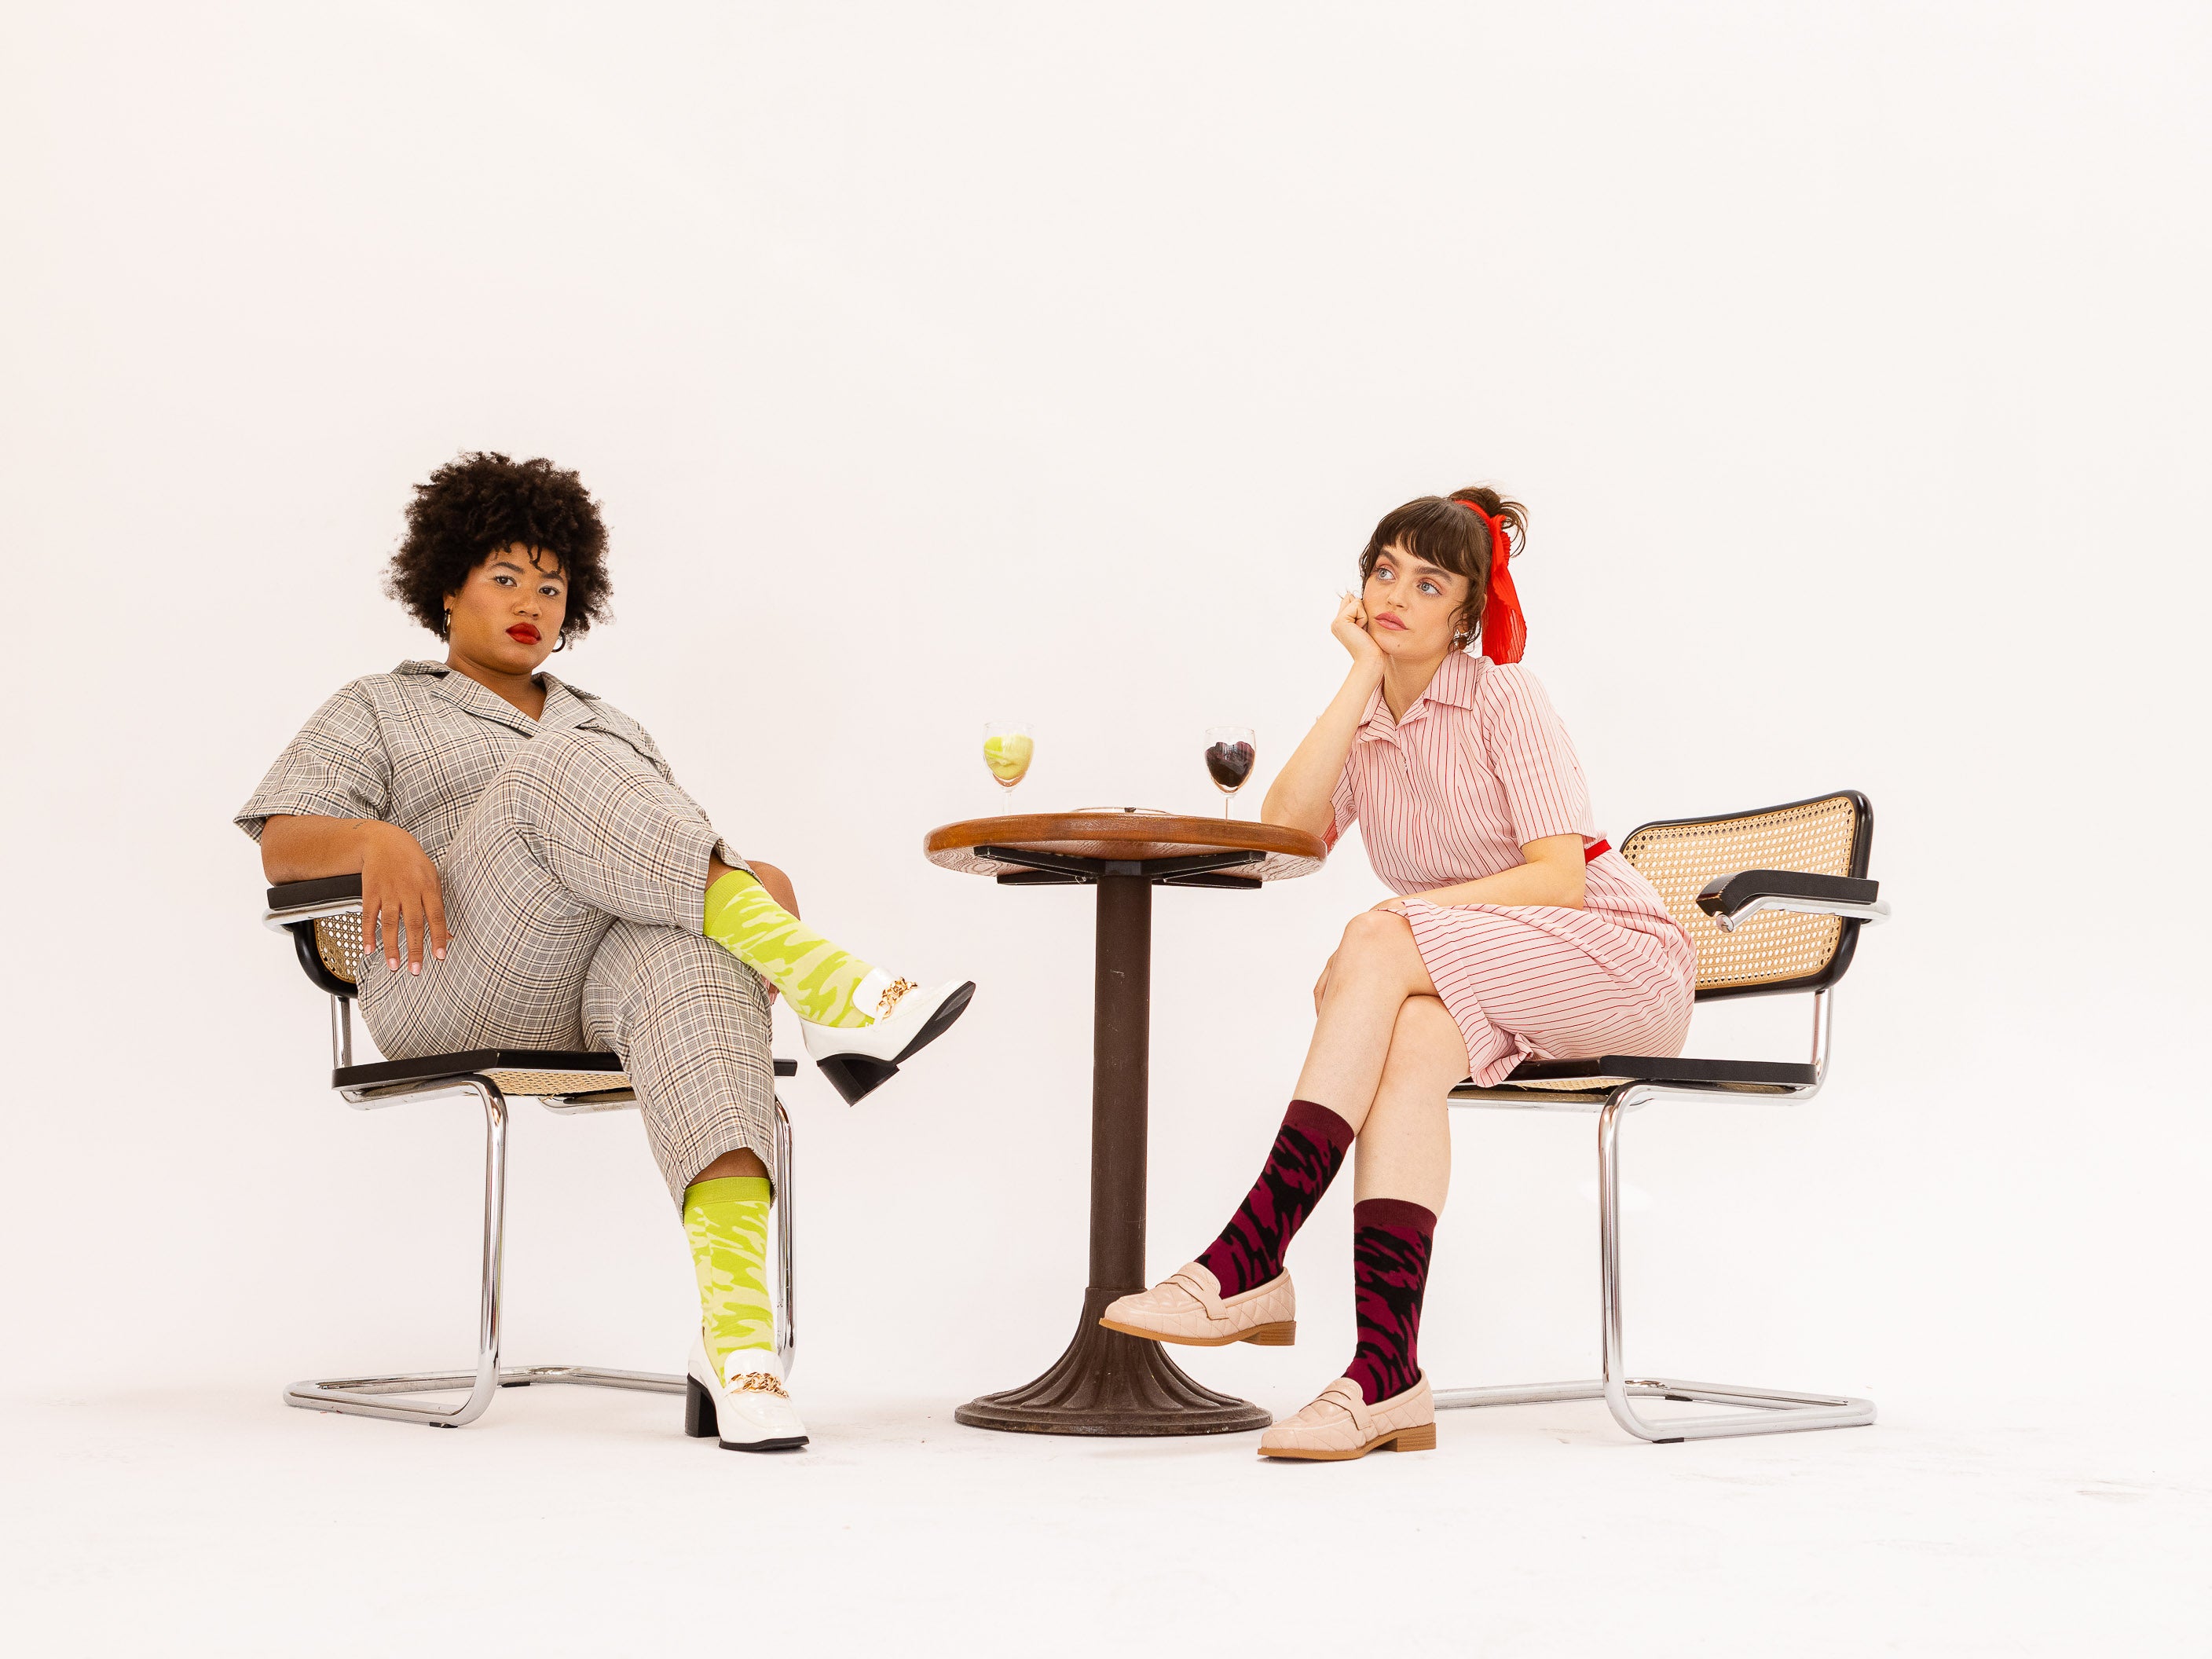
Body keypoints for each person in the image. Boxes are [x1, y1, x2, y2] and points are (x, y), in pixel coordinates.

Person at [237, 452, 974, 1452]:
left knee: (698, 958)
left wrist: (757, 897)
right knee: (567, 767)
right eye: (504, 577)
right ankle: (833, 986)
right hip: (441, 975)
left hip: (587, 992)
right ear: (446, 587)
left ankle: (740, 1345)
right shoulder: (381, 705)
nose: (532, 602)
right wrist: (372, 838)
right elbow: (284, 841)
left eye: (552, 584)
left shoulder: (601, 721)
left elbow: (666, 861)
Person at [1100, 486, 1694, 1461]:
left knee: (1375, 940)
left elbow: (1555, 877)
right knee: (1412, 1043)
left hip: (1615, 964)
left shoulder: (1503, 696)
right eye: (1382, 571)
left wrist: (1403, 918)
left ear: (1465, 612)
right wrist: (1357, 680)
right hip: (1484, 971)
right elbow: (1282, 840)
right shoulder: (1369, 725)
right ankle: (1387, 1374)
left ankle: (1249, 1254)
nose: (1396, 594)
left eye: (1428, 583)